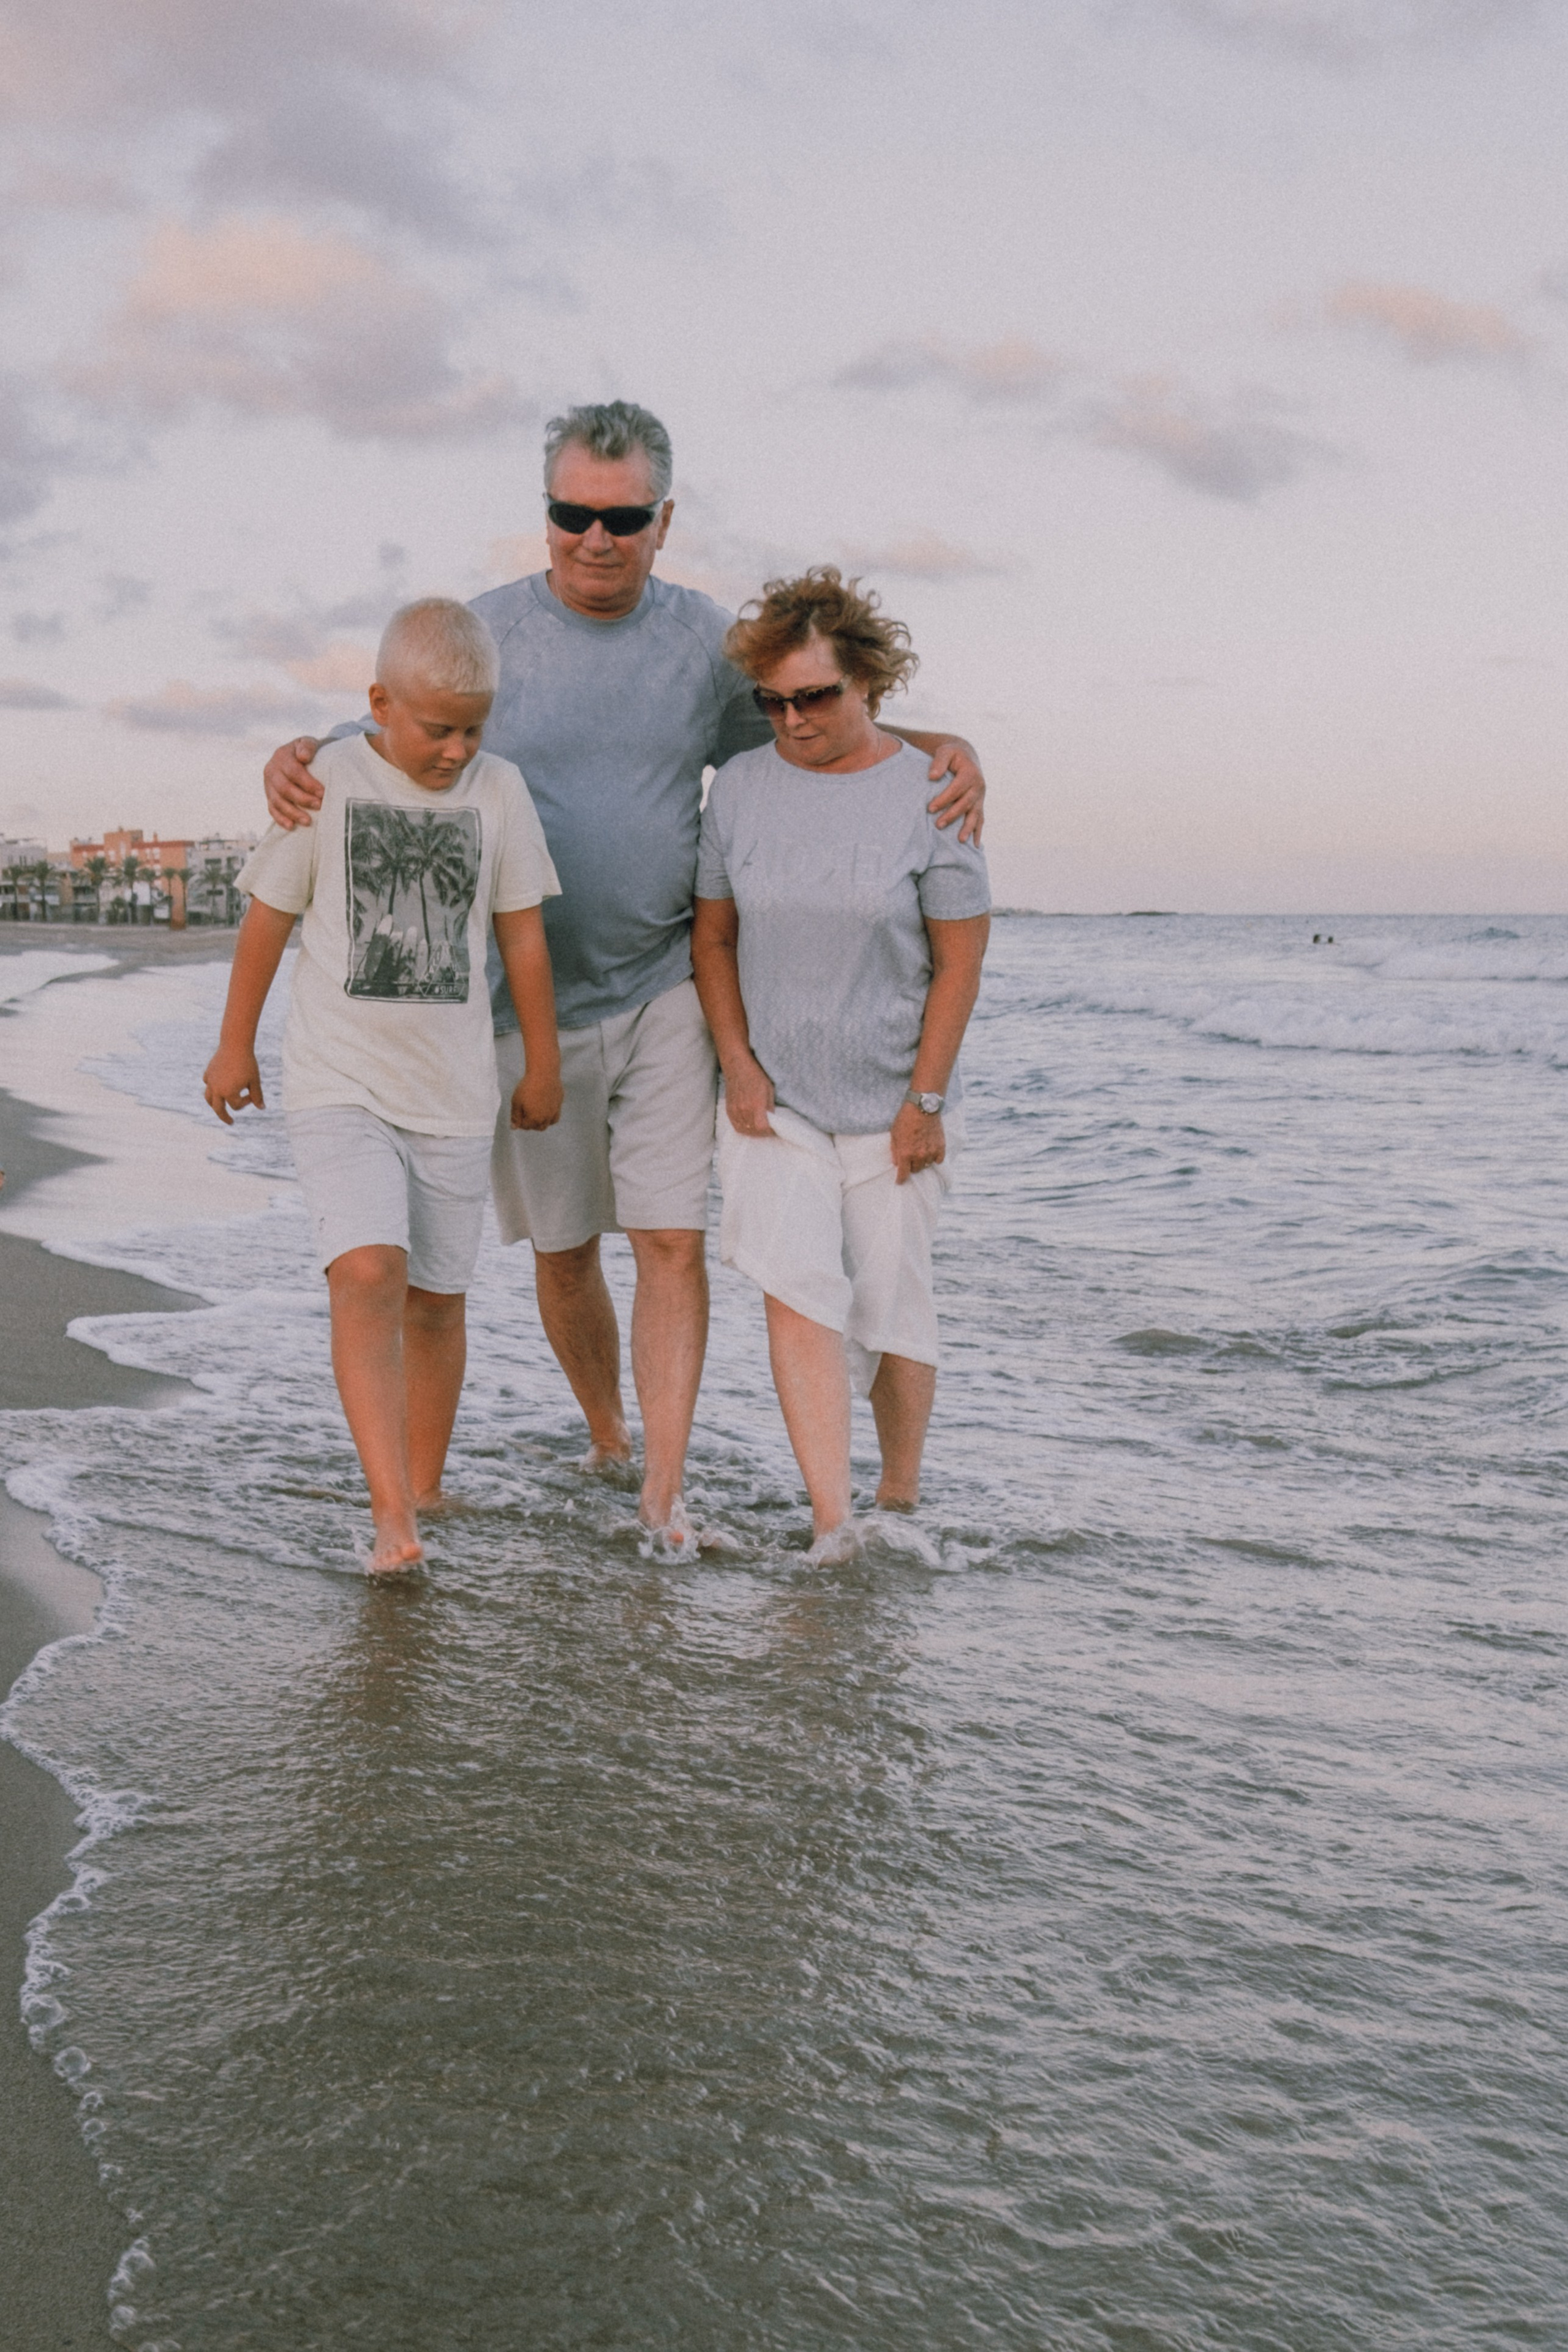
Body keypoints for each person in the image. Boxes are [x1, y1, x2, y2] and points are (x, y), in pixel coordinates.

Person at [260, 402, 987, 1545]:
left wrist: (951, 746)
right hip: (517, 1003)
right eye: (572, 515)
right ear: (546, 517)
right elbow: (399, 724)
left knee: (667, 1240)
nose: (597, 539)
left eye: (624, 518)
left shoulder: (706, 646)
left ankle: (662, 1485)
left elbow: (822, 722)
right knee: (562, 1253)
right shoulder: (488, 636)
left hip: (665, 985)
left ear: (663, 521)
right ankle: (606, 1430)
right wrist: (291, 752)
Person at [205, 600, 562, 1575]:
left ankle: (425, 1485)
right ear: (378, 703)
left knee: (439, 1301)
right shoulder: (326, 781)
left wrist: (543, 1061)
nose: (455, 750)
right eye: (436, 727)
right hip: (339, 1081)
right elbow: (269, 920)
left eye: (473, 728)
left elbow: (523, 935)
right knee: (369, 1272)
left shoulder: (501, 791)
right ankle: (391, 1514)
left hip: (453, 1092)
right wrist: (233, 1046)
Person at [691, 568, 990, 1561]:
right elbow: (714, 941)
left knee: (893, 1301)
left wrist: (927, 1099)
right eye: (771, 702)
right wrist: (735, 1061)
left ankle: (898, 1505)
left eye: (814, 697)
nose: (792, 719)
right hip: (773, 1101)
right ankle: (832, 1524)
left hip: (892, 1100)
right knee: (799, 1290)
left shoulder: (931, 790)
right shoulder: (738, 791)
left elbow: (959, 960)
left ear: (869, 682)